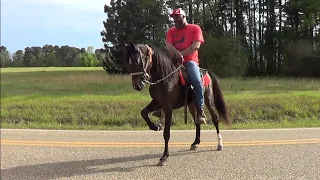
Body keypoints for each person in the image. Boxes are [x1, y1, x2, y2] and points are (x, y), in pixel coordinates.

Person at [154, 8, 206, 124]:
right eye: (173, 17)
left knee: (197, 81)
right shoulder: (171, 31)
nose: (175, 19)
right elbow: (169, 45)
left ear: (184, 17)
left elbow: (195, 46)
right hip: (174, 61)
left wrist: (181, 55)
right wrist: (177, 55)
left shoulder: (194, 28)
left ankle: (200, 109)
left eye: (177, 17)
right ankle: (160, 107)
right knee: (159, 77)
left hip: (190, 61)